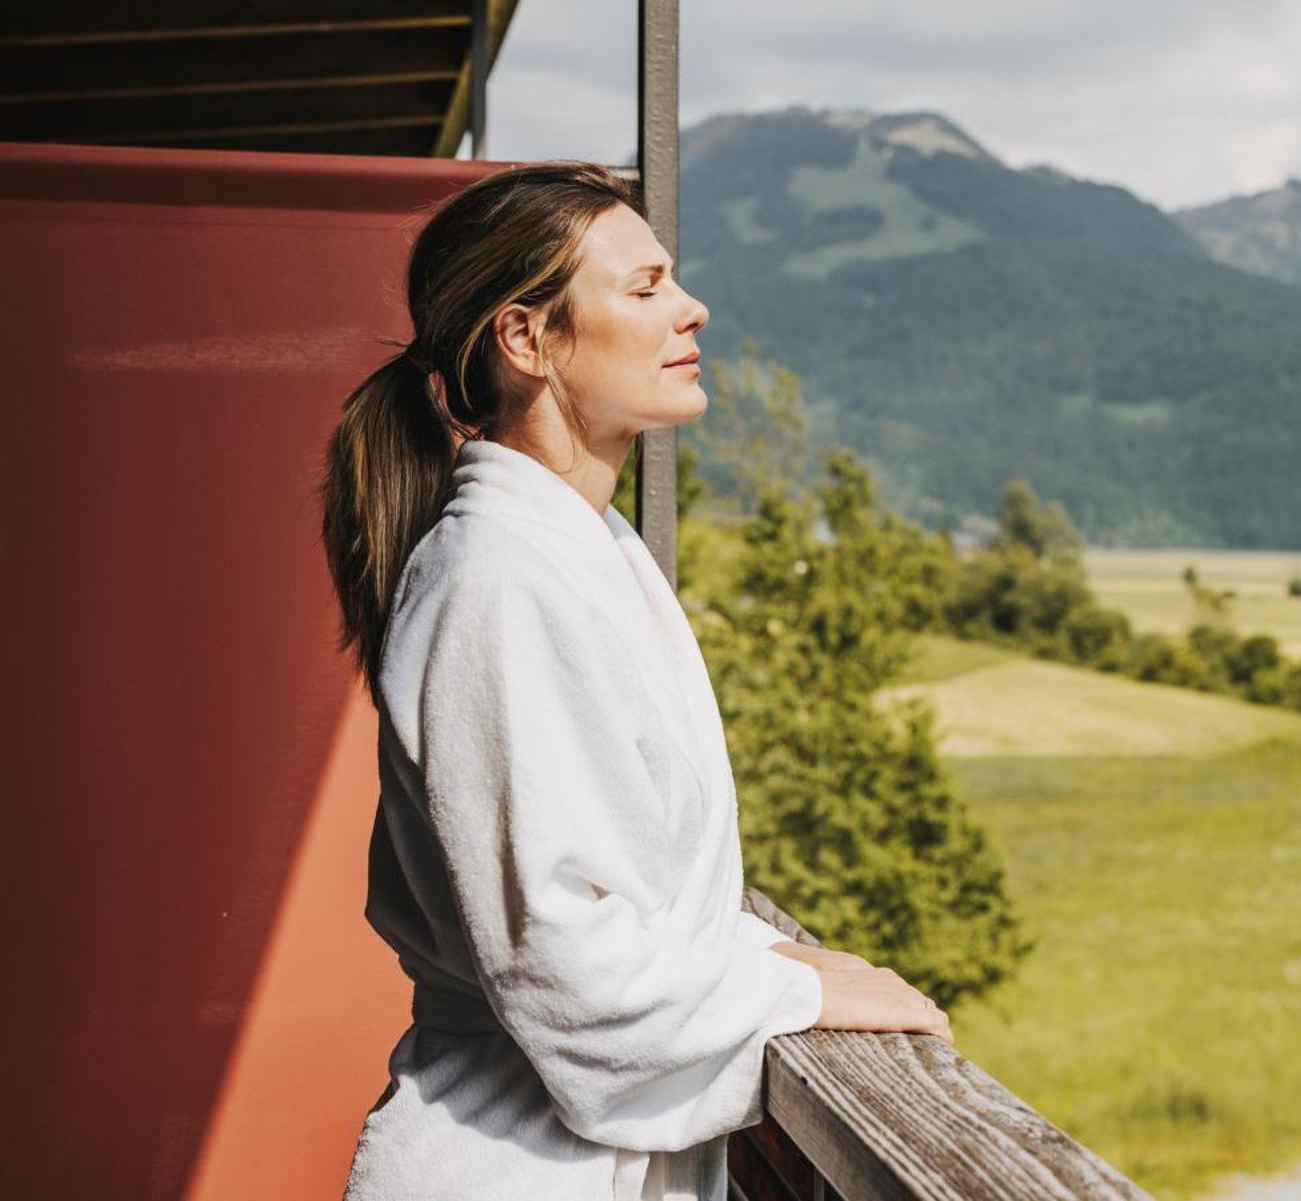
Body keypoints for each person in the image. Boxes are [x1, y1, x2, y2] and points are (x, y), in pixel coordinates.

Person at [320, 161, 951, 1201]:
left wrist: (772, 969)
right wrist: (787, 985)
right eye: (646, 287)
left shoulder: (577, 551)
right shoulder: (497, 579)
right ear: (527, 339)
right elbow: (574, 979)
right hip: (511, 1169)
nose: (692, 308)